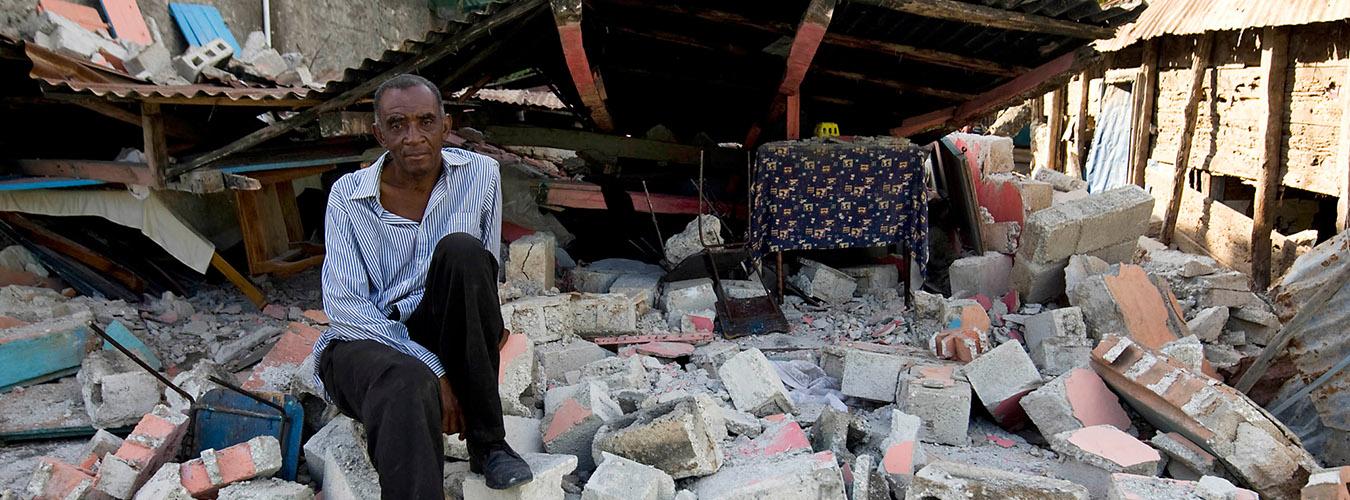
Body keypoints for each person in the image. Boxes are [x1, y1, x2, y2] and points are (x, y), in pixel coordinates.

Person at [311, 73, 533, 498]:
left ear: (445, 127)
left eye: (426, 122)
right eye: (397, 124)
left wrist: (467, 363)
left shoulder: (481, 175)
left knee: (464, 252)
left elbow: (481, 281)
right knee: (408, 383)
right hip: (365, 341)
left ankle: (489, 445)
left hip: (441, 325)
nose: (414, 137)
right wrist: (435, 372)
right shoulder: (347, 196)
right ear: (379, 134)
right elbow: (344, 306)